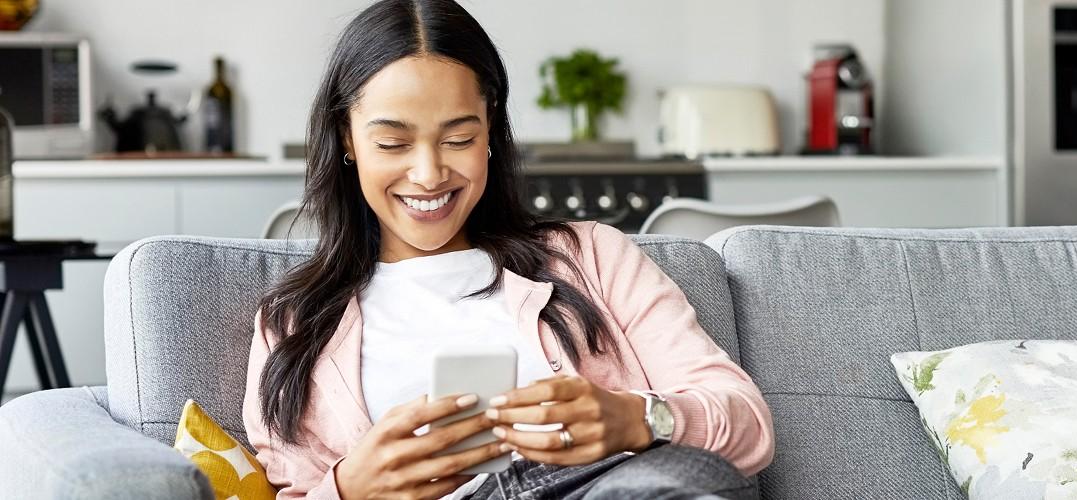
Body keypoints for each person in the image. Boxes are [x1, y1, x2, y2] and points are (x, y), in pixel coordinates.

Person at [240, 1, 773, 498]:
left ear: (491, 128)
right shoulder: (292, 322)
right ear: (348, 138)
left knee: (684, 475)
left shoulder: (592, 256)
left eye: (458, 140)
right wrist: (349, 487)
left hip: (606, 487)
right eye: (393, 143)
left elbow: (749, 426)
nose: (428, 175)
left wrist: (637, 419)